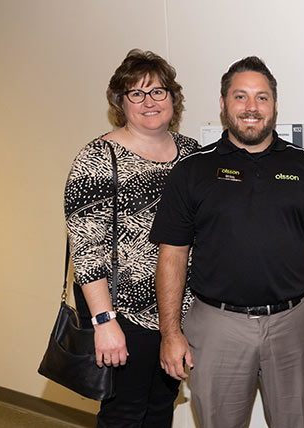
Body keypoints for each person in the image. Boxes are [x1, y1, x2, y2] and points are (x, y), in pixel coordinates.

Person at [150, 56, 304, 428]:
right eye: (240, 97)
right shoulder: (192, 170)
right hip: (218, 326)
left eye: (262, 97)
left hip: (292, 323)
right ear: (223, 104)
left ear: (274, 105)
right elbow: (172, 256)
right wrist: (170, 333)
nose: (251, 108)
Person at [64, 49, 199, 427]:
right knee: (124, 412)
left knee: (160, 407)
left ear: (173, 98)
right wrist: (104, 322)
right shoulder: (97, 157)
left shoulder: (192, 155)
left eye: (158, 91)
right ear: (121, 103)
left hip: (178, 314)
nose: (149, 102)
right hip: (125, 315)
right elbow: (87, 250)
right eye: (136, 94)